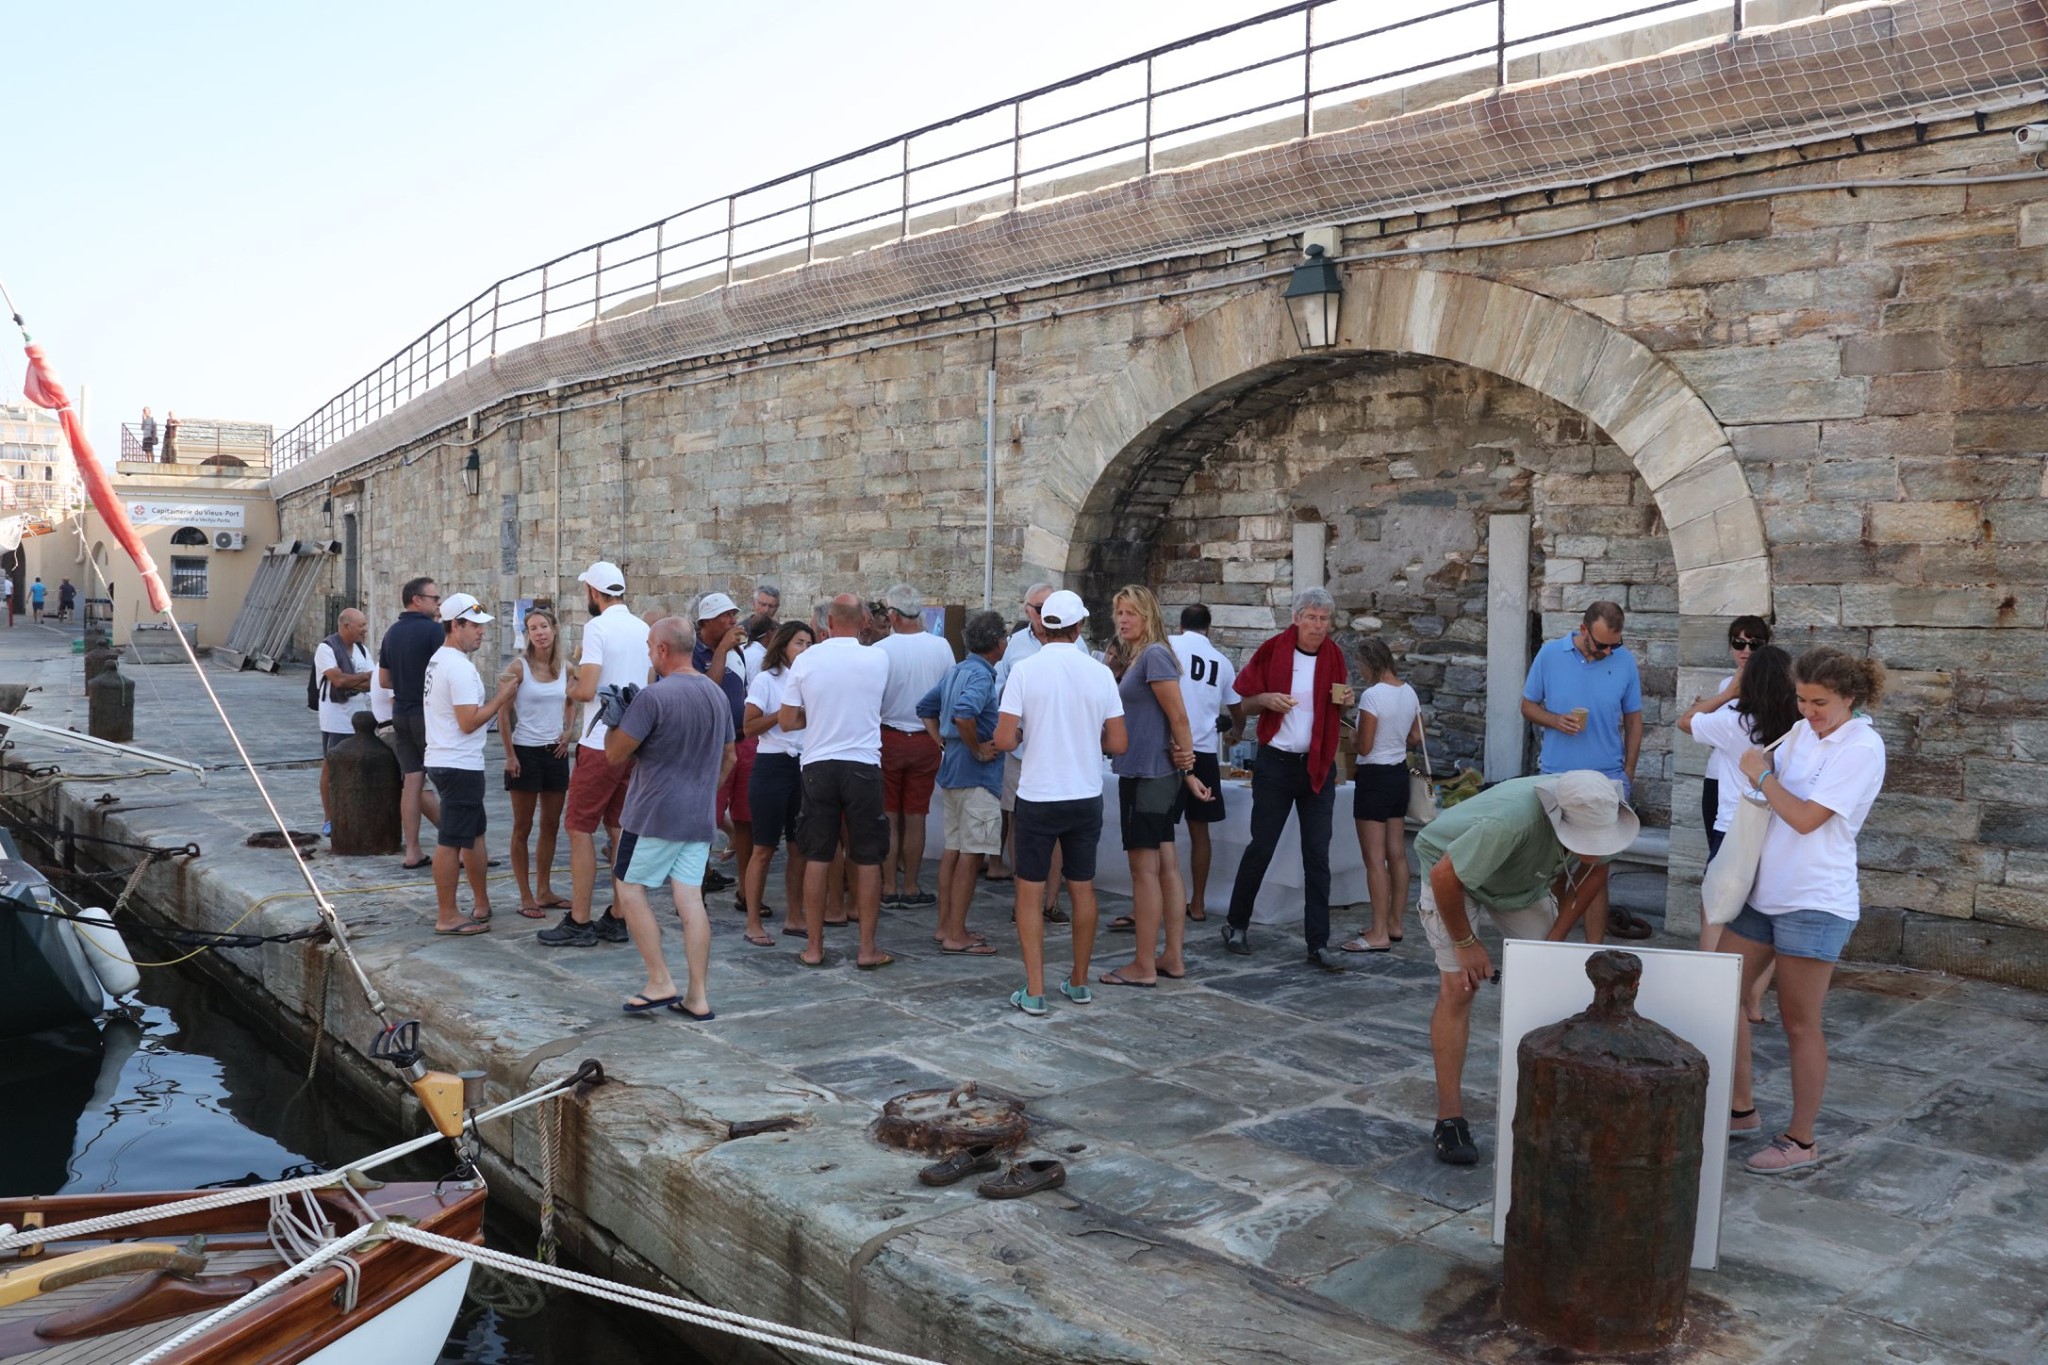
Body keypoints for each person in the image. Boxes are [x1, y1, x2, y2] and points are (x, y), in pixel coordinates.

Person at [1416, 769, 1638, 1164]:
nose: (1595, 845)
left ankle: (1546, 1097)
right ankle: (1449, 1119)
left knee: (1546, 981)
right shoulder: (1512, 823)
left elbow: (1595, 871)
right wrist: (1467, 944)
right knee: (1459, 988)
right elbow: (1444, 877)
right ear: (1559, 821)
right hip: (1451, 869)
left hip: (1517, 881)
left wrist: (1553, 941)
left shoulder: (1601, 808)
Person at [1727, 647, 1887, 1173]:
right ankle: (1740, 1109)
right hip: (1764, 892)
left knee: (1800, 1024)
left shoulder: (1862, 747)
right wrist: (1767, 769)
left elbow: (1803, 819)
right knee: (1718, 994)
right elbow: (1776, 775)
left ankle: (1800, 1140)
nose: (1808, 711)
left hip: (1816, 900)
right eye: (1801, 699)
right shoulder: (1802, 731)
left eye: (1819, 702)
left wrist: (1760, 776)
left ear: (1850, 698)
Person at [993, 589, 1126, 1015]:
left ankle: (1034, 989)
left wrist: (1023, 736)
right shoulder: (1100, 672)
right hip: (1085, 792)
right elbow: (1118, 742)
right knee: (1081, 887)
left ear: (1041, 623)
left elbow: (1002, 737)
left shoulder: (1026, 670)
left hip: (1038, 793)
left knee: (1029, 893)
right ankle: (1080, 980)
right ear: (1080, 626)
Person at [605, 617, 736, 1020]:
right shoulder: (715, 694)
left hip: (653, 815)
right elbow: (729, 756)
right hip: (697, 817)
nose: (648, 652)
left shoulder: (654, 697)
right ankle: (697, 996)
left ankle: (659, 979)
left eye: (649, 646)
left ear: (663, 649)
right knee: (690, 899)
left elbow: (614, 754)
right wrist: (701, 793)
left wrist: (613, 719)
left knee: (628, 889)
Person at [1219, 587, 1354, 970]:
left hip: (1318, 765)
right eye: (1310, 617)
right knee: (1262, 846)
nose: (1317, 625)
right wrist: (1264, 701)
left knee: (1317, 855)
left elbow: (1342, 703)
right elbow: (1241, 701)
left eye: (1323, 619)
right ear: (1296, 618)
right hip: (1276, 763)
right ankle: (1237, 924)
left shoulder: (1334, 656)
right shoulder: (1273, 650)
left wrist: (1349, 701)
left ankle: (1318, 943)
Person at [1518, 601, 1650, 941]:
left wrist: (1629, 772)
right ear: (1583, 630)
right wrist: (1554, 720)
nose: (1608, 651)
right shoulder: (1550, 655)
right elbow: (1528, 706)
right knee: (1554, 869)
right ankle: (1556, 945)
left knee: (1597, 870)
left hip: (1606, 779)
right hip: (1556, 778)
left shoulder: (1625, 662)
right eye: (1601, 644)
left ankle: (1594, 951)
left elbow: (1634, 721)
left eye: (1614, 645)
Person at [1099, 586, 1210, 987]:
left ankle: (1144, 964)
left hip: (1149, 775)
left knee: (1143, 869)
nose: (1123, 620)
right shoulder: (1141, 656)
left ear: (1149, 616)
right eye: (1119, 613)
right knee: (1165, 865)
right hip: (1148, 772)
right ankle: (1172, 957)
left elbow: (1178, 717)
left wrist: (1188, 762)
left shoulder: (1155, 655)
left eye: (1131, 613)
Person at [1680, 640, 1796, 1020]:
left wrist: (1728, 692)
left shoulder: (1734, 720)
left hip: (1734, 826)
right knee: (1762, 917)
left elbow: (1686, 720)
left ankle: (1708, 995)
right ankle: (1754, 1004)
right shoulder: (1801, 726)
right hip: (1778, 827)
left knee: (1715, 910)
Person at [538, 562, 649, 948]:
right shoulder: (643, 628)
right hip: (634, 743)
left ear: (593, 593)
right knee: (619, 827)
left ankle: (580, 919)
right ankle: (619, 914)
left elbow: (586, 690)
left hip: (600, 740)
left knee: (580, 827)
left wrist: (568, 683)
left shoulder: (597, 628)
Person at [780, 594, 894, 969]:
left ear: (827, 622)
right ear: (863, 620)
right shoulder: (878, 657)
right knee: (867, 857)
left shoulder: (806, 659)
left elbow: (786, 720)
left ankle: (814, 947)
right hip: (862, 763)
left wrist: (818, 718)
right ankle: (867, 948)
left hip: (818, 764)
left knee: (817, 855)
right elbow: (879, 706)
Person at [422, 593, 518, 935]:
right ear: (455, 625)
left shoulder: (442, 660)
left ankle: (481, 901)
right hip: (456, 763)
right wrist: (502, 698)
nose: (481, 633)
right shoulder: (457, 666)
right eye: (474, 626)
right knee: (451, 840)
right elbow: (468, 721)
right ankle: (447, 915)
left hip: (453, 760)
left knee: (474, 833)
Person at [916, 610, 1007, 956]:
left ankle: (947, 926)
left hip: (953, 770)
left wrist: (943, 740)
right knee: (972, 853)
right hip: (976, 775)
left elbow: (926, 706)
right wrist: (976, 748)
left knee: (953, 851)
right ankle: (956, 932)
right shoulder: (981, 676)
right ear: (997, 643)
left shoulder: (957, 670)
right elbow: (965, 713)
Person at [1342, 637, 1424, 954]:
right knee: (1397, 854)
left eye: (1360, 665)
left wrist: (1352, 732)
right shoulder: (1408, 691)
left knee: (1374, 860)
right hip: (1398, 774)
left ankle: (1377, 933)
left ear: (1369, 663)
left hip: (1374, 776)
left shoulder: (1372, 696)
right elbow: (1416, 736)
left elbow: (1363, 746)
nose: (1359, 671)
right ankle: (1394, 923)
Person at [875, 583, 954, 911]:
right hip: (927, 738)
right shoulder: (941, 647)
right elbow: (949, 695)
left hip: (889, 736)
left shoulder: (881, 650)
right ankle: (910, 886)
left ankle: (890, 885)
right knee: (916, 815)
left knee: (890, 815)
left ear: (892, 615)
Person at [742, 620, 814, 947]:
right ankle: (753, 921)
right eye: (799, 643)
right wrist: (783, 713)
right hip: (772, 765)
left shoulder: (814, 681)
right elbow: (750, 726)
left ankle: (795, 915)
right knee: (764, 848)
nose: (805, 649)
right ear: (783, 645)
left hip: (803, 765)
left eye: (809, 644)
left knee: (800, 847)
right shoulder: (766, 680)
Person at [500, 607, 573, 919]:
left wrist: (568, 731)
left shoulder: (566, 667)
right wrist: (509, 754)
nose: (540, 632)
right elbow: (502, 712)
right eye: (533, 628)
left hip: (554, 753)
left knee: (551, 825)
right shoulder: (518, 668)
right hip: (525, 751)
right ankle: (525, 895)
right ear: (527, 634)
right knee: (523, 826)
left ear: (554, 629)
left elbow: (572, 699)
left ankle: (544, 890)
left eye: (544, 626)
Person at [1169, 603, 1240, 923]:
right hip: (1205, 752)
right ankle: (1197, 903)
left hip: (1171, 749)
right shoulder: (1222, 662)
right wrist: (1236, 732)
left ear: (1181, 626)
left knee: (1157, 831)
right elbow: (1237, 707)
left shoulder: (1168, 645)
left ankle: (1157, 899)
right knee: (1201, 833)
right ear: (1208, 629)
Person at [1687, 616, 1775, 864]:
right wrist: (1706, 714)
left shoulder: (1771, 685)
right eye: (1739, 643)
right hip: (1718, 776)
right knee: (1716, 850)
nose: (1746, 650)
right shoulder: (1727, 683)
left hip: (1752, 781)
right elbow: (1717, 735)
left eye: (1754, 644)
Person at [377, 576, 445, 870]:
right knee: (449, 781)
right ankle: (466, 850)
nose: (438, 603)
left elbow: (383, 680)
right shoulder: (433, 632)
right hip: (426, 715)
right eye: (434, 598)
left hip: (400, 714)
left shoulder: (391, 633)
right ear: (417, 600)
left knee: (412, 781)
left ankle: (413, 851)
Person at [692, 592, 752, 906]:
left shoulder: (737, 652)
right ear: (706, 622)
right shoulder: (692, 652)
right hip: (712, 747)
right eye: (725, 617)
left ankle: (746, 891)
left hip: (744, 742)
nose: (732, 622)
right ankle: (694, 893)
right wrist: (723, 652)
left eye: (733, 615)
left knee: (745, 818)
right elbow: (705, 693)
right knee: (707, 819)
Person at [315, 608, 372, 837]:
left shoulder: (361, 650)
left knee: (359, 769)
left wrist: (353, 681)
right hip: (336, 719)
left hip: (360, 716)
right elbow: (337, 680)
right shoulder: (326, 648)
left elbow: (372, 682)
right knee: (333, 767)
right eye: (361, 625)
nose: (365, 629)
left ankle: (355, 813)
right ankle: (329, 818)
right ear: (346, 626)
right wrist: (360, 679)